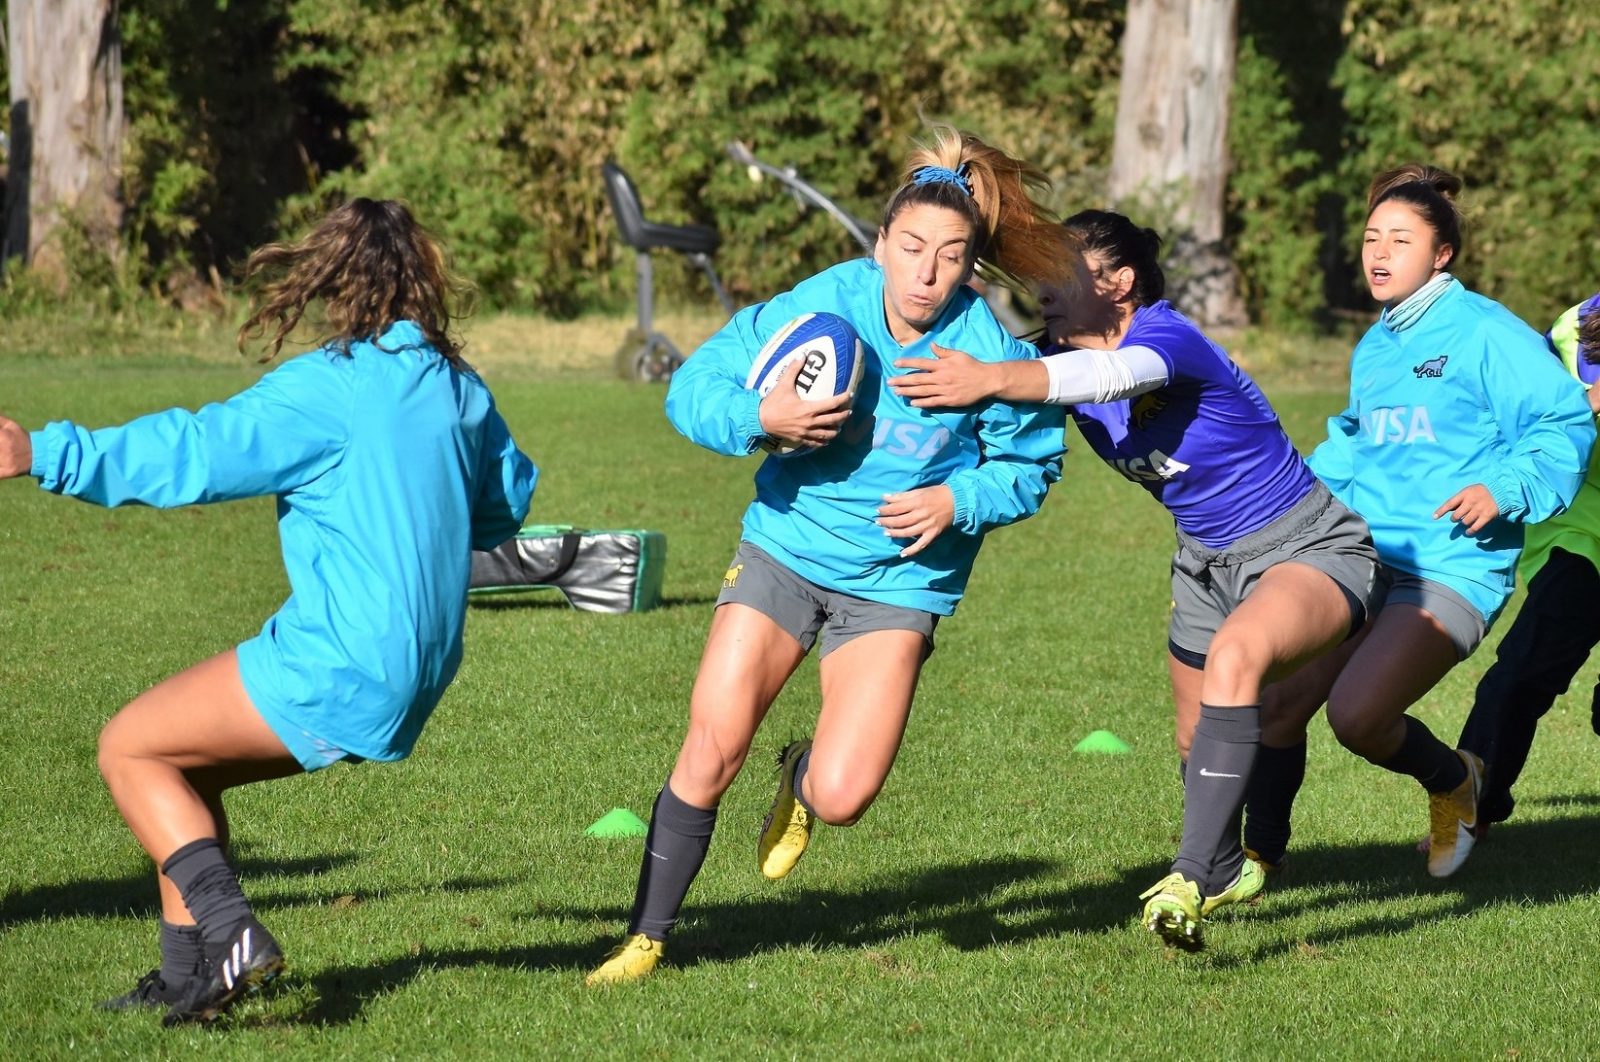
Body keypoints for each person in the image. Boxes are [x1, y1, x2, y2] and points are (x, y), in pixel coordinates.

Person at [0, 198, 536, 1024]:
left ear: (331, 279)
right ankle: (190, 977)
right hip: (420, 666)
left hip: (344, 660)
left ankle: (232, 932)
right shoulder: (458, 386)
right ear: (424, 278)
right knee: (185, 766)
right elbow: (504, 506)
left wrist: (45, 452)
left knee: (129, 748)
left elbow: (197, 452)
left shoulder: (331, 386)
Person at [585, 126, 1075, 984]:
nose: (926, 274)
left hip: (898, 583)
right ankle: (646, 939)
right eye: (911, 248)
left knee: (844, 796)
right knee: (712, 744)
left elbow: (1032, 465)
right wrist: (759, 419)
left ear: (971, 265)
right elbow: (694, 384)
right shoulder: (824, 307)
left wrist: (957, 501)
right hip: (785, 550)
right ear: (880, 243)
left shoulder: (989, 350)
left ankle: (801, 774)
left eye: (950, 257)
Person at [886, 208, 1383, 950]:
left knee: (1237, 658)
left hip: (1306, 543)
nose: (1044, 289)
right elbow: (982, 357)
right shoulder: (1050, 355)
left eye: (1065, 274)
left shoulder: (1165, 337)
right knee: (1195, 740)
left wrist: (990, 376)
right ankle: (1223, 865)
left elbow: (1112, 375)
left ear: (1120, 284)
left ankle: (1188, 877)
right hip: (1204, 564)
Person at [1242, 165, 1594, 881]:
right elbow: (1354, 444)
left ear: (1442, 255)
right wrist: (1284, 508)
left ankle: (1457, 780)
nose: (1379, 254)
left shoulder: (1487, 333)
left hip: (1451, 566)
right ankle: (1256, 859)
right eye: (1372, 238)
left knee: (1357, 717)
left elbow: (1563, 422)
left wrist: (1504, 487)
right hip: (1364, 555)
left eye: (1400, 241)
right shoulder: (1378, 344)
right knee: (1279, 702)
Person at [1449, 293, 1600, 832]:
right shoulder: (1572, 328)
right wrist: (1586, 403)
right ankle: (1468, 811)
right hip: (1580, 534)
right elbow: (1527, 419)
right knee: (1517, 678)